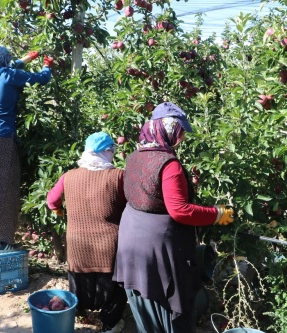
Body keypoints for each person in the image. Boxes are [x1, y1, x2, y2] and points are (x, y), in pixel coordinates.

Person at [113, 102, 235, 333]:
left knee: (145, 303)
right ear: (169, 131)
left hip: (131, 238)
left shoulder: (134, 156)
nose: (182, 139)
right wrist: (217, 214)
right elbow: (180, 210)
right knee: (170, 307)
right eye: (180, 133)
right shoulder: (169, 164)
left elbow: (131, 193)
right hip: (157, 247)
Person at [0, 43, 53, 253]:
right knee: (4, 186)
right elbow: (42, 79)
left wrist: (24, 59)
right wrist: (47, 65)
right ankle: (0, 241)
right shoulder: (10, 75)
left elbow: (4, 70)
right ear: (3, 60)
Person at [46, 132, 128, 333]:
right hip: (109, 245)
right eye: (112, 151)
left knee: (80, 281)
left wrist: (61, 211)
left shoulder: (69, 176)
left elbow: (51, 201)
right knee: (113, 288)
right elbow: (130, 205)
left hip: (77, 244)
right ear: (106, 152)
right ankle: (110, 324)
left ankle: (80, 312)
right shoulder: (118, 176)